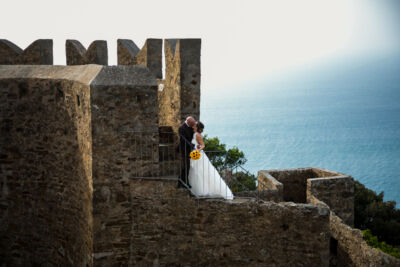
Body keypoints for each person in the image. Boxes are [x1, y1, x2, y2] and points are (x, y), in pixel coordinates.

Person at [188, 121, 234, 200]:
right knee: (196, 172)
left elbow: (203, 145)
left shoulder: (197, 135)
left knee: (201, 172)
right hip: (194, 154)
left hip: (198, 155)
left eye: (195, 125)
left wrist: (197, 151)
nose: (193, 126)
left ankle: (203, 190)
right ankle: (198, 189)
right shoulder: (193, 133)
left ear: (197, 127)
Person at [177, 116, 196, 188]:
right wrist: (191, 145)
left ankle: (181, 181)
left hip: (189, 150)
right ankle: (184, 181)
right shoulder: (181, 128)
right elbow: (183, 139)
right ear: (188, 122)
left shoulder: (191, 127)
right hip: (183, 149)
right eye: (192, 123)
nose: (193, 125)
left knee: (187, 166)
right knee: (186, 166)